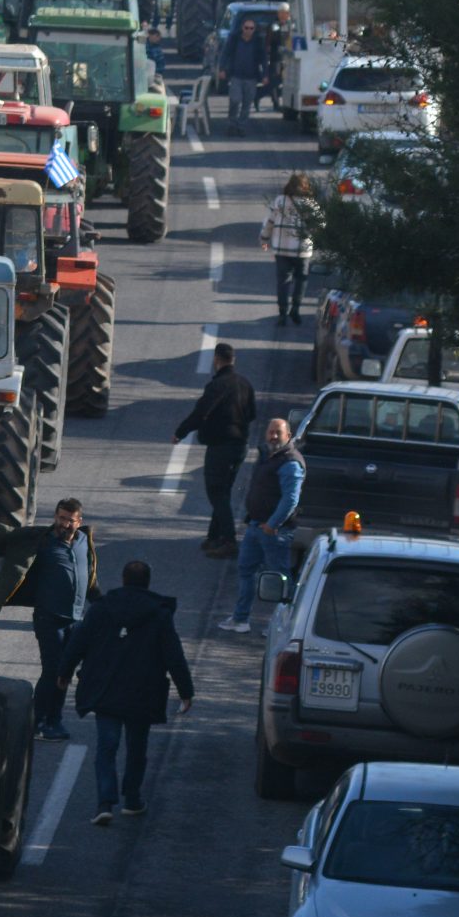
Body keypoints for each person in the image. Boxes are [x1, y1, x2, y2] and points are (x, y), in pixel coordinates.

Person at [59, 561, 194, 825]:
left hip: (105, 687)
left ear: (123, 579)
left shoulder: (101, 609)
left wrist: (64, 672)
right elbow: (173, 655)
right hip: (142, 691)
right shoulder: (159, 614)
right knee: (136, 746)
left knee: (106, 747)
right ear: (147, 582)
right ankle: (132, 799)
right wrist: (186, 691)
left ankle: (105, 803)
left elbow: (79, 642)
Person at [0, 498, 96, 741]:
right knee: (52, 671)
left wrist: (106, 604)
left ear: (79, 522)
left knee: (65, 672)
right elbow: (11, 542)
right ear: (55, 517)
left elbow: (91, 579)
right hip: (48, 617)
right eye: (61, 518)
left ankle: (54, 721)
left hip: (74, 618)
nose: (64, 524)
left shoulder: (84, 542)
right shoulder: (43, 542)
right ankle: (37, 721)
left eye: (70, 520)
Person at [221, 418, 304, 634]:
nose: (273, 436)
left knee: (280, 576)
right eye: (271, 432)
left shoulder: (290, 462)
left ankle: (283, 625)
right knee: (246, 570)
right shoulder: (268, 455)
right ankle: (240, 619)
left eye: (278, 432)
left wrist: (273, 523)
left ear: (288, 435)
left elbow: (290, 499)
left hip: (274, 530)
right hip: (256, 525)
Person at [174, 345, 257, 559]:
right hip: (240, 446)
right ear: (233, 359)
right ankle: (214, 536)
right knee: (224, 491)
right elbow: (252, 414)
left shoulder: (217, 385)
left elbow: (201, 412)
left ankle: (228, 540)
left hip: (221, 446)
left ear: (216, 360)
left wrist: (180, 432)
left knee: (216, 492)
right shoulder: (245, 384)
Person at [262, 173, 316, 326]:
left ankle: (282, 313)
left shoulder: (279, 201)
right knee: (301, 279)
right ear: (306, 187)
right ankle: (296, 308)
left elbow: (269, 222)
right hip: (302, 250)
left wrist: (264, 239)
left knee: (283, 281)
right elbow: (319, 225)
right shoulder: (311, 204)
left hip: (282, 249)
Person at [225, 16, 266, 125]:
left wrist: (265, 75)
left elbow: (263, 59)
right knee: (235, 100)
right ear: (242, 28)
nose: (248, 30)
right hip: (236, 76)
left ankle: (241, 126)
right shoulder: (235, 39)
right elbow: (226, 54)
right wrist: (222, 69)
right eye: (246, 28)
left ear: (254, 29)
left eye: (251, 28)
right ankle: (232, 123)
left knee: (247, 104)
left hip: (251, 78)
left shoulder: (258, 42)